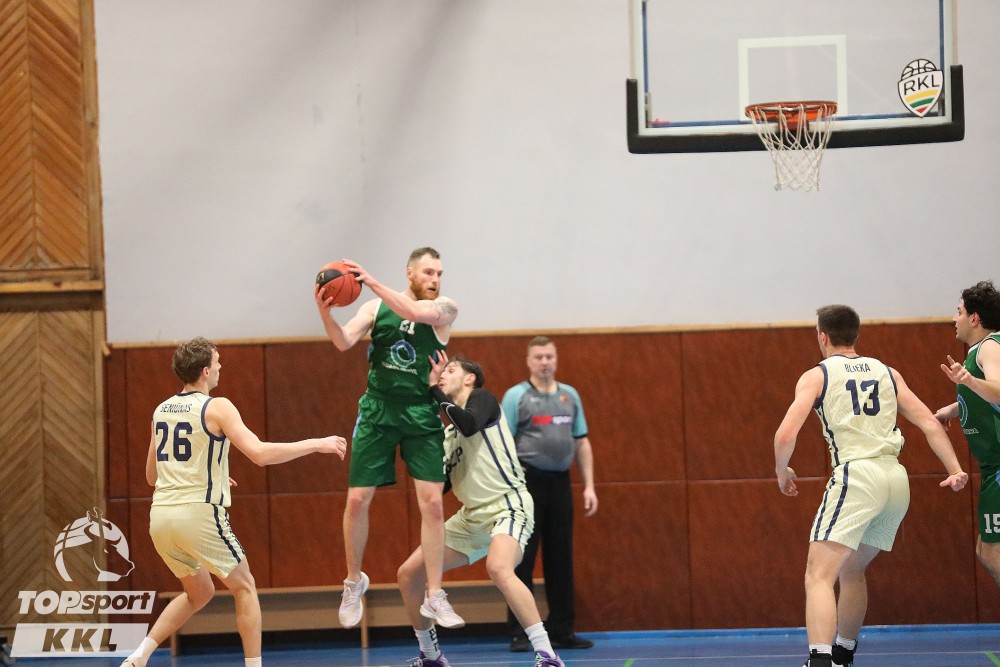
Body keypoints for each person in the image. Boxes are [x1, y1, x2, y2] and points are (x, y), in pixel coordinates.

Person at [119, 337, 348, 667]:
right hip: (198, 515)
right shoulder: (217, 407)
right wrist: (316, 443)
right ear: (205, 370)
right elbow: (259, 454)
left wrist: (208, 475)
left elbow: (152, 476)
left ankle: (139, 657)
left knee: (199, 593)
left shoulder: (161, 410)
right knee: (245, 587)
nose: (221, 366)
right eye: (217, 361)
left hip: (161, 521)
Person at [774, 305, 968, 667]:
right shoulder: (887, 372)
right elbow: (929, 422)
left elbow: (786, 434)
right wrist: (954, 469)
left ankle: (820, 661)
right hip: (895, 480)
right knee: (852, 570)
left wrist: (781, 470)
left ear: (822, 337)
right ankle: (843, 655)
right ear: (856, 335)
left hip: (858, 477)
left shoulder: (817, 375)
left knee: (818, 575)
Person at [314, 247, 465, 629]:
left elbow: (413, 312)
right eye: (428, 272)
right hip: (378, 410)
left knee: (433, 504)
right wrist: (326, 314)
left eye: (439, 273)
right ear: (410, 273)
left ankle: (435, 594)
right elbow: (343, 341)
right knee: (357, 499)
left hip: (419, 411)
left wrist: (370, 281)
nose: (435, 279)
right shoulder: (374, 309)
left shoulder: (446, 309)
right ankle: (353, 582)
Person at [397, 351, 565, 667]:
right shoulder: (447, 435)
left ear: (469, 378)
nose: (442, 376)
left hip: (508, 503)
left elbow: (469, 424)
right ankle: (431, 655)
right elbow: (440, 487)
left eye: (450, 370)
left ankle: (548, 655)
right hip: (471, 516)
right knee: (408, 575)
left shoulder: (483, 400)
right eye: (440, 374)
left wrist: (433, 390)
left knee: (499, 568)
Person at [502, 336, 597, 652]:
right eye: (539, 357)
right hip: (527, 485)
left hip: (560, 485)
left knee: (560, 558)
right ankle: (520, 632)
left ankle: (561, 629)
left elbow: (581, 441)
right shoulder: (516, 396)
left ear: (556, 360)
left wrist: (589, 486)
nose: (545, 362)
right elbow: (502, 444)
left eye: (549, 356)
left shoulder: (570, 396)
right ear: (529, 361)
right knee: (522, 559)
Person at [934, 280, 1000, 588]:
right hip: (992, 469)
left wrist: (969, 381)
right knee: (987, 551)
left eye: (959, 311)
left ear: (975, 318)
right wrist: (954, 409)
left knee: (991, 552)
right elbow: (985, 397)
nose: (954, 318)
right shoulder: (983, 350)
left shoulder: (990, 347)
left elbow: (998, 391)